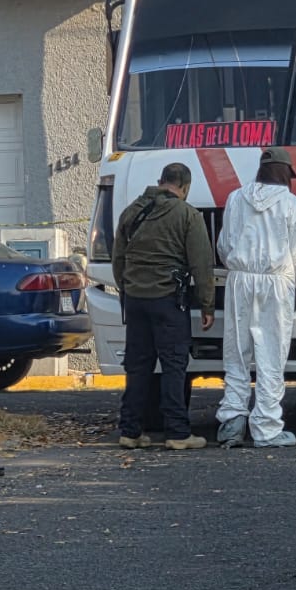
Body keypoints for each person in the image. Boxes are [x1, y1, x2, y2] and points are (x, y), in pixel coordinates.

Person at [215, 147, 296, 449]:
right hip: (276, 282)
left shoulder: (236, 199)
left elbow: (224, 245)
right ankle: (267, 429)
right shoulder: (292, 204)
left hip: (239, 279)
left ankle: (232, 423)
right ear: (286, 173)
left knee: (237, 352)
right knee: (271, 354)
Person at [111, 163, 215, 451]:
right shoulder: (187, 214)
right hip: (168, 299)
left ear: (160, 181)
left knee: (138, 365)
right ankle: (177, 433)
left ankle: (130, 431)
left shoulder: (132, 211)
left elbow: (118, 257)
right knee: (173, 365)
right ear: (185, 186)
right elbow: (201, 263)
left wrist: (127, 288)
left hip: (134, 299)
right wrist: (207, 304)